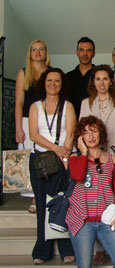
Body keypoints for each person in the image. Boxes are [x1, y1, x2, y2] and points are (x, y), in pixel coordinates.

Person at [65, 116, 115, 268]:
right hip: (82, 221)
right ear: (80, 137)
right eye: (86, 133)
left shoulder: (111, 159)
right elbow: (78, 176)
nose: (91, 136)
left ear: (100, 134)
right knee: (85, 265)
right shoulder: (75, 158)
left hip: (107, 220)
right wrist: (83, 153)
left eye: (94, 131)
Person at [28, 68, 76, 265]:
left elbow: (71, 133)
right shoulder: (35, 107)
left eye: (57, 80)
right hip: (40, 161)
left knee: (63, 203)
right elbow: (33, 135)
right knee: (42, 205)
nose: (53, 84)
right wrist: (56, 149)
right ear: (44, 83)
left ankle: (66, 248)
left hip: (64, 160)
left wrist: (64, 154)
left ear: (62, 83)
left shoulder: (68, 106)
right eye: (49, 80)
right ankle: (43, 248)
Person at [15, 39, 50, 213]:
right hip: (27, 120)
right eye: (34, 49)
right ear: (30, 53)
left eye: (41, 49)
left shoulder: (51, 73)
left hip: (46, 120)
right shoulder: (23, 73)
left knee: (44, 158)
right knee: (29, 158)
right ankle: (34, 197)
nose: (37, 52)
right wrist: (18, 128)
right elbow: (19, 103)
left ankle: (43, 195)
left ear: (45, 53)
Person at [80, 64, 115, 165]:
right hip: (92, 156)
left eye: (105, 79)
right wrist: (95, 154)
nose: (101, 83)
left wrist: (111, 154)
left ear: (111, 81)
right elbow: (82, 131)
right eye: (98, 79)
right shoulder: (85, 103)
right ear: (93, 82)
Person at [67, 37, 96, 118]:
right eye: (81, 50)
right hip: (72, 120)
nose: (85, 54)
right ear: (77, 52)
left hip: (95, 121)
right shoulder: (68, 77)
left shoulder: (99, 76)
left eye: (89, 50)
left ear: (94, 53)